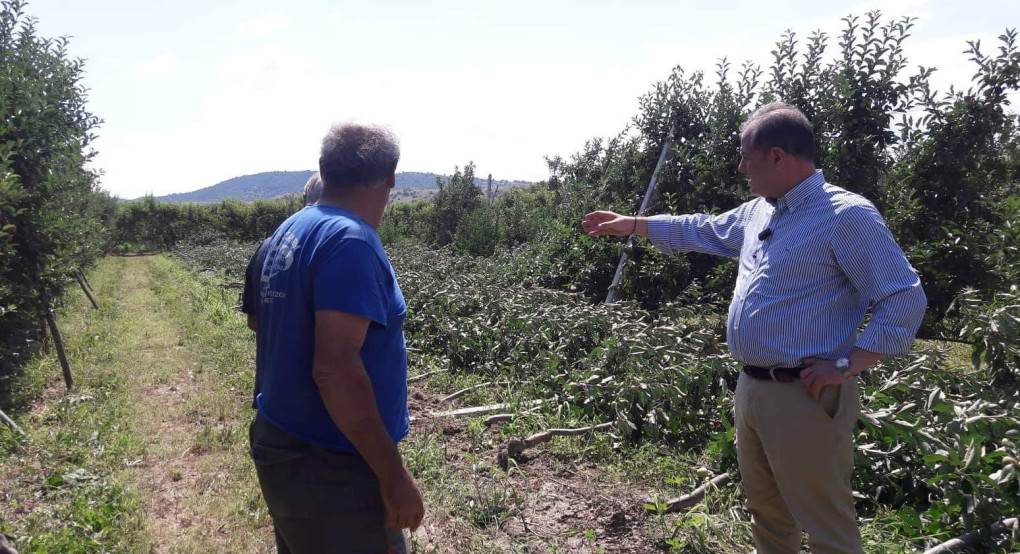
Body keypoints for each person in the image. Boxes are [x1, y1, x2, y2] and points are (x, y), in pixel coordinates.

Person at [582, 103, 926, 554]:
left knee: (826, 525)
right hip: (753, 388)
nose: (743, 168)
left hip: (805, 394)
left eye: (748, 158)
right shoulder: (761, 212)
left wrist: (846, 364)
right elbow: (704, 230)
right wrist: (635, 225)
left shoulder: (846, 216)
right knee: (767, 513)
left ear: (779, 157)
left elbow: (903, 297)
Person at [250, 123, 423, 554]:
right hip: (332, 468)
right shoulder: (351, 242)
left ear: (325, 169)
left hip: (287, 447)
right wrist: (393, 475)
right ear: (390, 178)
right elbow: (335, 369)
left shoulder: (293, 228)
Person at [241, 172, 323, 407]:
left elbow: (253, 322)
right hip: (310, 406)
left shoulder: (268, 246)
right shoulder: (329, 246)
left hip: (270, 393)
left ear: (304, 198)